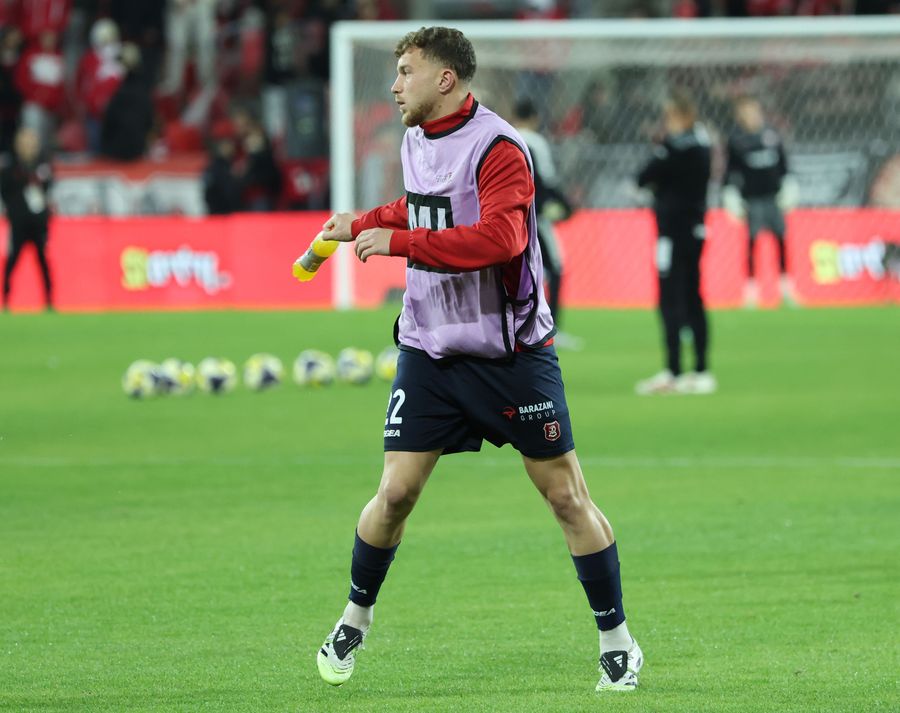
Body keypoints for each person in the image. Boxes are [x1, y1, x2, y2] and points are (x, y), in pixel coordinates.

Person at [313, 26, 642, 693]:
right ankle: (354, 617)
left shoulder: (499, 148)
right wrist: (365, 221)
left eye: (406, 72)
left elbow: (501, 238)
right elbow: (425, 208)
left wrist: (400, 243)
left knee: (565, 496)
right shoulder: (415, 137)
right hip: (430, 347)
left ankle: (617, 640)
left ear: (445, 79)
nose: (394, 85)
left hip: (509, 354)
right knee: (395, 492)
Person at [635, 89, 715, 395]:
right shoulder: (703, 144)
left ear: (683, 116)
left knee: (670, 300)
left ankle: (673, 370)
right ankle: (701, 369)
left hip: (671, 234)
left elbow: (644, 176)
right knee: (693, 296)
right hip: (695, 230)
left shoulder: (674, 148)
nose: (666, 123)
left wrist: (658, 183)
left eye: (670, 116)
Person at [511, 95, 582, 350]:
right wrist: (566, 206)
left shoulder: (506, 136)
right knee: (556, 268)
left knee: (518, 273)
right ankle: (550, 328)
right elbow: (547, 181)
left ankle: (516, 326)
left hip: (510, 219)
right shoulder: (537, 142)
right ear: (535, 118)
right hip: (535, 218)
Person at [723, 94, 796, 307]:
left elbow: (783, 164)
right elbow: (730, 171)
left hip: (773, 197)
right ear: (740, 115)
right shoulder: (736, 140)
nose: (751, 115)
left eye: (753, 110)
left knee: (781, 240)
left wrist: (788, 184)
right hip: (752, 200)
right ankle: (751, 291)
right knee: (752, 243)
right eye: (746, 111)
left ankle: (786, 290)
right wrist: (730, 194)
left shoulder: (772, 134)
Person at [1, 126, 53, 311]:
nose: (28, 146)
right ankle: (5, 299)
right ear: (18, 145)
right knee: (12, 260)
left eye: (31, 143)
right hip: (18, 223)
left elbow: (48, 187)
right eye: (25, 143)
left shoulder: (42, 166)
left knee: (43, 261)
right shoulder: (10, 167)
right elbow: (5, 191)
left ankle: (49, 299)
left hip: (38, 223)